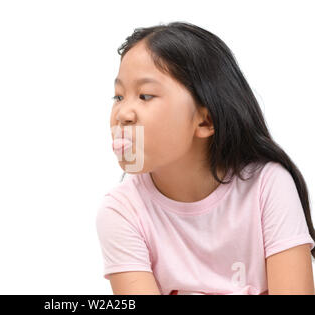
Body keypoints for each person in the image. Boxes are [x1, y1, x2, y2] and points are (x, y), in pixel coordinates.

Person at [95, 21, 315, 295]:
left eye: (145, 95)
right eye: (118, 96)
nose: (123, 113)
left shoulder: (269, 186)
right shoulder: (121, 211)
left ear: (206, 121)